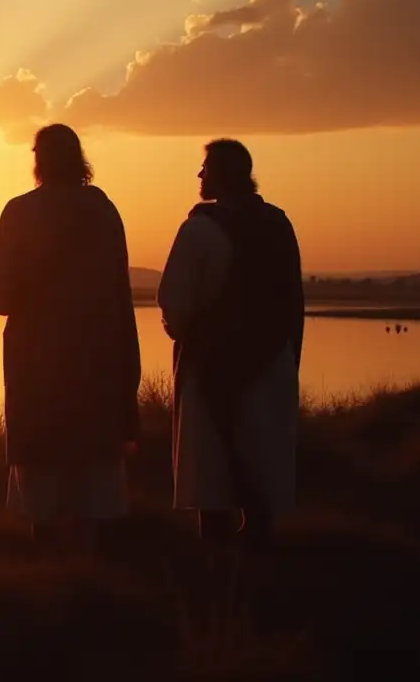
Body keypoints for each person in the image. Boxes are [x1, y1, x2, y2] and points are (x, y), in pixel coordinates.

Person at [0, 123, 142, 557]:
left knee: (43, 479)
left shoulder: (20, 213)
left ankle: (52, 575)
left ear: (39, 161)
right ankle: (88, 578)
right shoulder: (103, 212)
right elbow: (119, 295)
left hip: (37, 369)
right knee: (92, 479)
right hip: (97, 365)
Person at [157, 138, 304, 550]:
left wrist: (189, 335)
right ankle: (259, 562)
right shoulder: (278, 224)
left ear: (221, 174)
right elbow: (293, 300)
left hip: (209, 370)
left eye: (205, 167)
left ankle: (217, 570)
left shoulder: (199, 229)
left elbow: (174, 303)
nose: (200, 175)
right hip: (271, 365)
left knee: (211, 474)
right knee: (261, 466)